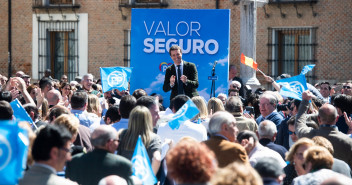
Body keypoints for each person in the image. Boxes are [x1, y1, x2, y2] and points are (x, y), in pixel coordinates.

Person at [295, 90, 352, 168]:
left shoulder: (309, 135)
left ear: (318, 118)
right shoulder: (347, 141)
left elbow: (299, 124)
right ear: (337, 118)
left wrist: (304, 101)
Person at [65, 125, 133, 185]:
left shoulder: (73, 161)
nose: (118, 143)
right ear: (110, 143)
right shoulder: (124, 165)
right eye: (117, 140)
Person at [118, 106, 162, 175]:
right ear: (148, 120)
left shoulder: (122, 134)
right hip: (143, 179)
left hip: (123, 178)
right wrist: (151, 179)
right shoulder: (154, 138)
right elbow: (157, 158)